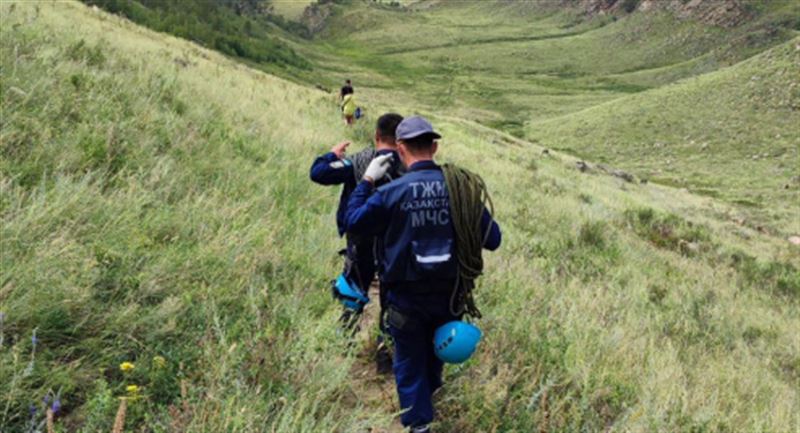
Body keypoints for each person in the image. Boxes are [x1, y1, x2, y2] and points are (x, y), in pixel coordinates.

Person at [344, 116, 501, 433]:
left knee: (409, 360)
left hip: (405, 298)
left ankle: (418, 424)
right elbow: (493, 239)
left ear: (400, 149)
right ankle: (426, 404)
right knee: (434, 357)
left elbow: (354, 222)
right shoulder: (463, 191)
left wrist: (367, 182)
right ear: (434, 146)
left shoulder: (392, 193)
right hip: (450, 297)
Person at [309, 113, 405, 373]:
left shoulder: (359, 160)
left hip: (360, 241)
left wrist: (332, 155)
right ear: (401, 140)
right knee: (392, 301)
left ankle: (343, 349)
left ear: (376, 136)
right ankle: (386, 358)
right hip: (393, 246)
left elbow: (318, 173)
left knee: (352, 293)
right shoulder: (409, 166)